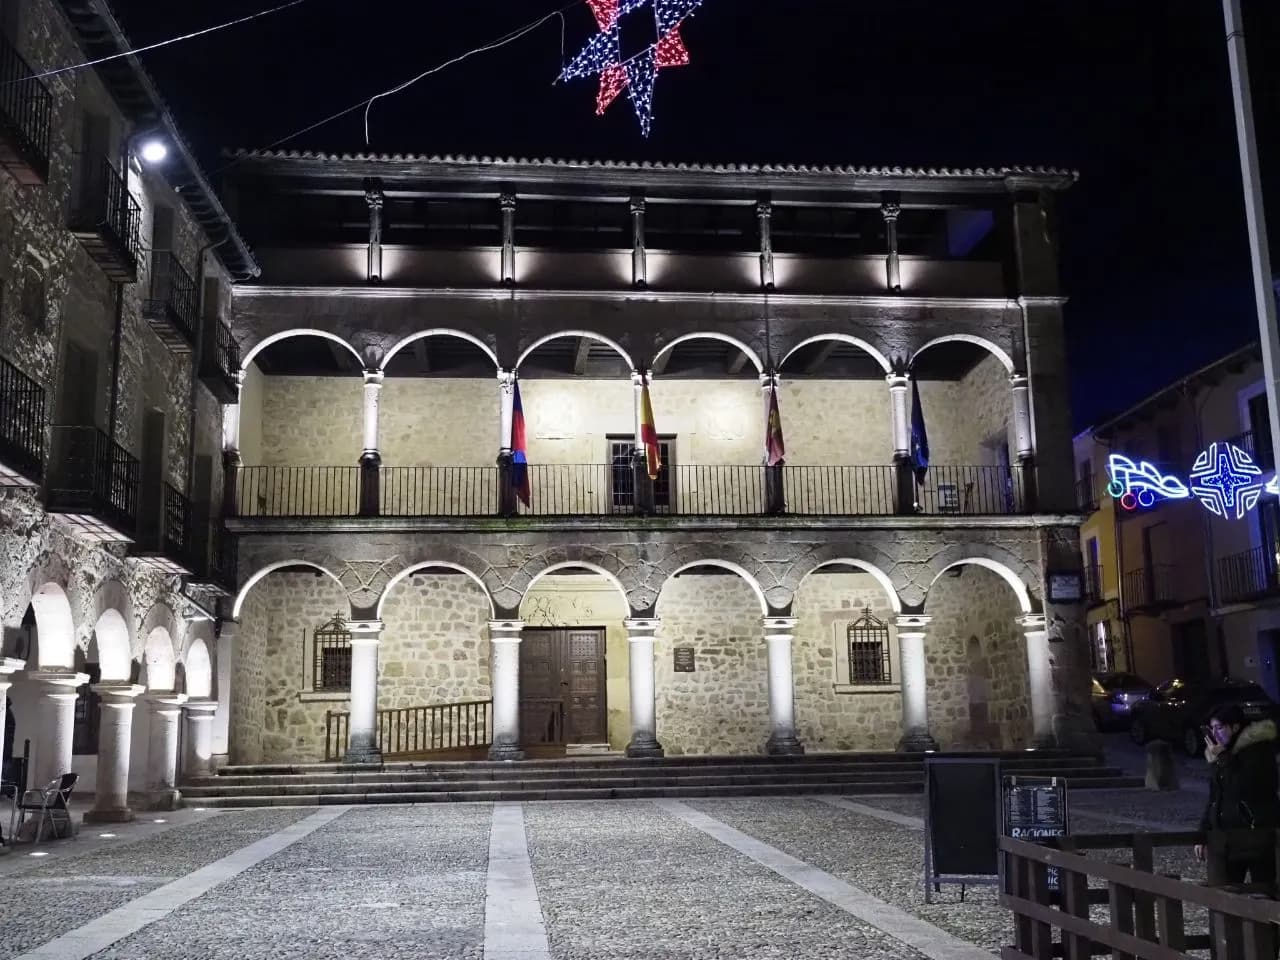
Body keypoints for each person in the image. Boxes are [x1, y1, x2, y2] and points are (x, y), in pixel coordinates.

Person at [1194, 703, 1280, 887]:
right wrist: (1203, 834)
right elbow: (1215, 797)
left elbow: (1249, 787)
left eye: (1219, 728)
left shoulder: (1257, 750)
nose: (1215, 734)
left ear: (1235, 727)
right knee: (1225, 891)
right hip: (1226, 840)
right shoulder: (1221, 755)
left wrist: (1224, 758)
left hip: (1257, 837)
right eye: (1212, 728)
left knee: (1264, 891)